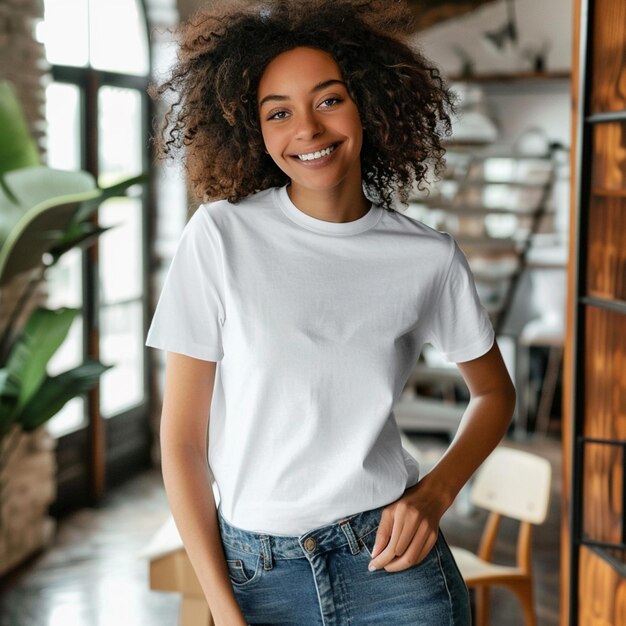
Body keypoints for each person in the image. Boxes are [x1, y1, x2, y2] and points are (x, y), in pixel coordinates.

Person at [145, 0, 516, 624]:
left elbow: (494, 394)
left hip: (395, 573)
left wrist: (435, 495)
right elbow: (182, 442)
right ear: (251, 130)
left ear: (366, 103)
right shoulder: (219, 238)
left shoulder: (426, 258)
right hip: (257, 579)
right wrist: (223, 609)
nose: (308, 129)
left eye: (329, 99)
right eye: (278, 112)